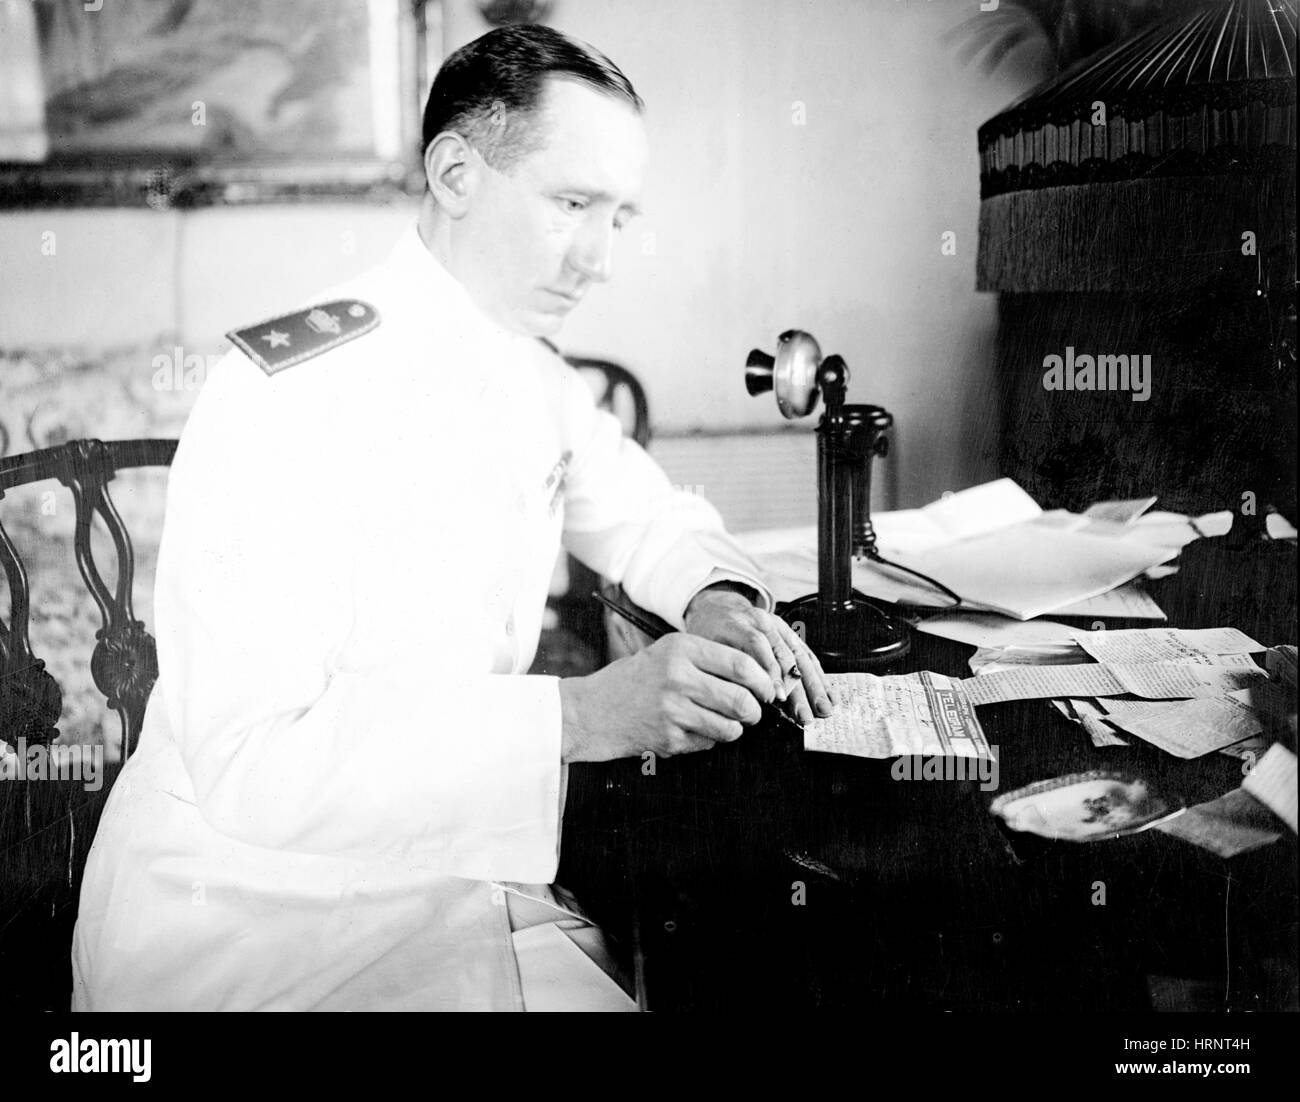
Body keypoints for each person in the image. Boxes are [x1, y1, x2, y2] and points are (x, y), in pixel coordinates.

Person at [71, 23, 832, 1012]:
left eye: (619, 217)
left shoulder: (527, 366)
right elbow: (254, 759)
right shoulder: (285, 394)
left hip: (450, 876)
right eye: (571, 204)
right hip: (248, 917)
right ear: (456, 172)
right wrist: (582, 715)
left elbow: (650, 514)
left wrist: (720, 597)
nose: (600, 257)